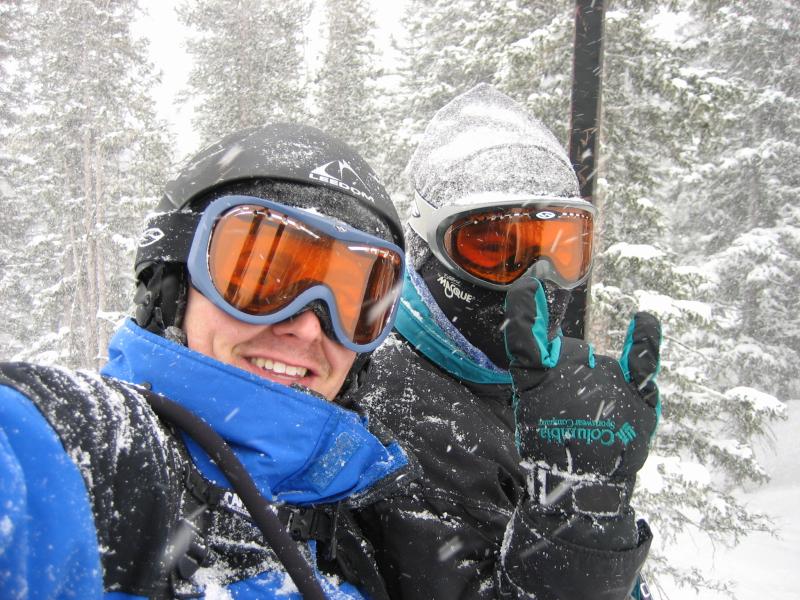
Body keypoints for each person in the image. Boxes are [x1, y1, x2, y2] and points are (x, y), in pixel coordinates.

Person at [0, 123, 417, 599]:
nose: (306, 326)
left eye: (351, 301)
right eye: (262, 277)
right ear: (172, 285)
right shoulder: (90, 458)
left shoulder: (356, 515)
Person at [351, 84, 661, 599]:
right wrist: (579, 515)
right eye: (494, 249)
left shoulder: (544, 389)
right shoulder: (399, 412)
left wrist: (600, 517)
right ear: (431, 249)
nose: (536, 279)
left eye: (561, 250)